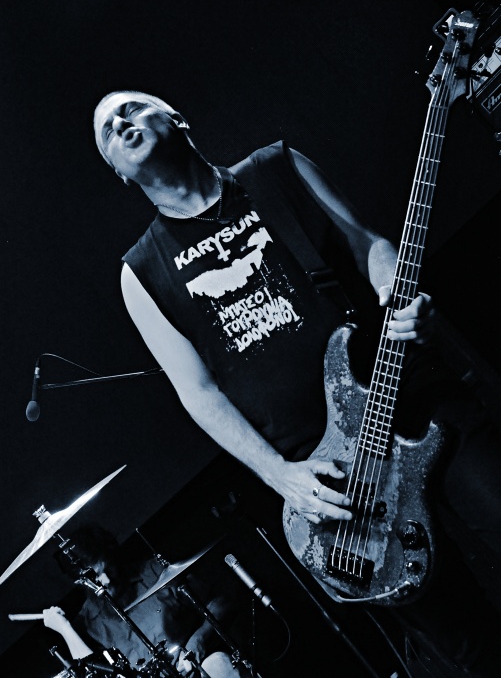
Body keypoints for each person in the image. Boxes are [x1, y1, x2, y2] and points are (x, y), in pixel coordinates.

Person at [91, 89, 501, 676]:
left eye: (131, 108)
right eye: (107, 130)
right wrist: (279, 475)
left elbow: (368, 243)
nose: (121, 123)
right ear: (119, 174)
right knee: (466, 644)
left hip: (411, 398)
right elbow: (198, 394)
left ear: (176, 117)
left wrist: (396, 288)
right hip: (336, 478)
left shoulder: (275, 169)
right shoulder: (141, 271)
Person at [43, 524, 247, 677]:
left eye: (108, 569)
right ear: (79, 581)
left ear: (112, 557)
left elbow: (221, 601)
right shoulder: (88, 624)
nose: (106, 580)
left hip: (200, 669)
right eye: (95, 577)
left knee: (217, 664)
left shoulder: (154, 572)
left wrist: (199, 639)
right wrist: (65, 629)